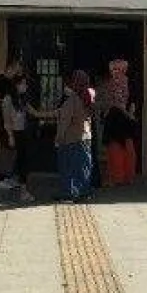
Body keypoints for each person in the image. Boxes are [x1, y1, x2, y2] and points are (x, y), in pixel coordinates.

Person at [5, 74, 53, 203]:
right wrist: (10, 136)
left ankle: (22, 191)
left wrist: (55, 113)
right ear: (16, 85)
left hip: (23, 133)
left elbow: (35, 113)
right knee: (13, 162)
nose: (25, 86)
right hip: (14, 133)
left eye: (26, 84)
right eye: (23, 84)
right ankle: (18, 190)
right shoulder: (8, 99)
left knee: (23, 163)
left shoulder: (22, 100)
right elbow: (6, 120)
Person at [0, 57, 25, 199]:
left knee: (9, 153)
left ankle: (4, 179)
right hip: (3, 123)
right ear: (11, 67)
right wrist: (7, 102)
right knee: (7, 153)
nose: (20, 71)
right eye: (18, 68)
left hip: (13, 124)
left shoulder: (12, 81)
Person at [54, 69, 94, 202]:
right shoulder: (88, 96)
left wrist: (59, 136)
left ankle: (69, 193)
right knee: (83, 167)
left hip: (72, 138)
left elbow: (65, 120)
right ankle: (84, 192)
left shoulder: (73, 99)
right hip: (85, 136)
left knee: (68, 167)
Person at [103, 59, 138, 187]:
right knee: (127, 147)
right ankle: (127, 176)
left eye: (117, 69)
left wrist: (127, 113)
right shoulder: (128, 82)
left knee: (116, 147)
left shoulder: (115, 83)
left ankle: (117, 177)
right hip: (123, 118)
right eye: (113, 69)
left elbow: (118, 103)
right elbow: (132, 102)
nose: (115, 72)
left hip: (116, 118)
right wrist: (130, 115)